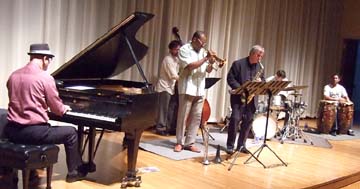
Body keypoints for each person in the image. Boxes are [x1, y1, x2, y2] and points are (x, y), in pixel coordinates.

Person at [4, 43, 87, 183]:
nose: (48, 63)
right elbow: (56, 108)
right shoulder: (45, 78)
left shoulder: (14, 75)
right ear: (45, 58)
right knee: (71, 133)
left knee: (52, 129)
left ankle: (33, 171)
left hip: (12, 130)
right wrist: (63, 108)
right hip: (34, 132)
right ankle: (74, 172)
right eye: (49, 60)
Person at [174, 31, 215, 153]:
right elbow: (190, 66)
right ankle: (179, 142)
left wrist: (211, 63)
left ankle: (190, 143)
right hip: (187, 87)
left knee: (196, 117)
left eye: (205, 42)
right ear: (194, 39)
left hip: (200, 88)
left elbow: (207, 70)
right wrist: (206, 58)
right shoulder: (184, 49)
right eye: (202, 42)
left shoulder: (202, 52)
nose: (203, 45)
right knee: (183, 116)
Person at [226, 45, 265, 154]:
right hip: (239, 98)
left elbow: (264, 81)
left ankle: (241, 145)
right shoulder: (238, 64)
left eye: (261, 56)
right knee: (234, 120)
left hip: (252, 99)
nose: (260, 58)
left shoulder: (260, 67)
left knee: (247, 123)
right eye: (258, 55)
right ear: (252, 53)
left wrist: (260, 83)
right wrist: (241, 89)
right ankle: (230, 145)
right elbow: (230, 79)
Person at [154, 40, 182, 136]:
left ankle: (169, 128)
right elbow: (173, 75)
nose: (178, 51)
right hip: (164, 87)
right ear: (170, 49)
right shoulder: (168, 59)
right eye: (176, 50)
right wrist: (185, 79)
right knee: (163, 109)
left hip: (172, 87)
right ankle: (160, 128)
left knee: (172, 109)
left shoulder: (177, 59)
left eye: (179, 49)